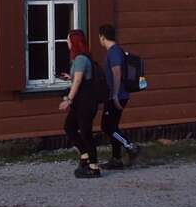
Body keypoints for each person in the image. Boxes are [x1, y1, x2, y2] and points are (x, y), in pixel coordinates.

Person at [57, 29, 101, 178]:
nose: (67, 43)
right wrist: (69, 77)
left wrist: (68, 100)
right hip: (80, 102)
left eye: (68, 40)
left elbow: (78, 81)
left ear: (74, 42)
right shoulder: (78, 59)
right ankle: (84, 155)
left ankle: (94, 168)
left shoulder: (81, 59)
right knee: (69, 127)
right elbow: (77, 78)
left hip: (86, 103)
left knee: (86, 132)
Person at [98, 24, 140, 169]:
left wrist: (115, 95)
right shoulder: (114, 51)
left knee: (107, 127)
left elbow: (117, 73)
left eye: (100, 37)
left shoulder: (114, 52)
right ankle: (116, 159)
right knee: (113, 127)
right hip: (116, 94)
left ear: (102, 37)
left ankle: (130, 146)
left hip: (117, 95)